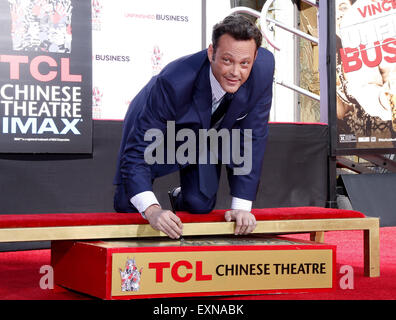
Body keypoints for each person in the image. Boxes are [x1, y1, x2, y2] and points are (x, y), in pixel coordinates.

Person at [113, 14, 275, 239]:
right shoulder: (173, 82)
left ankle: (178, 195)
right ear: (211, 53)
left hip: (206, 134)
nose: (236, 72)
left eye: (245, 63)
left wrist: (242, 207)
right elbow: (137, 153)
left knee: (199, 204)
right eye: (227, 60)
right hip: (160, 127)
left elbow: (252, 137)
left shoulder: (264, 69)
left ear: (255, 57)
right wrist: (152, 210)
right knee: (128, 205)